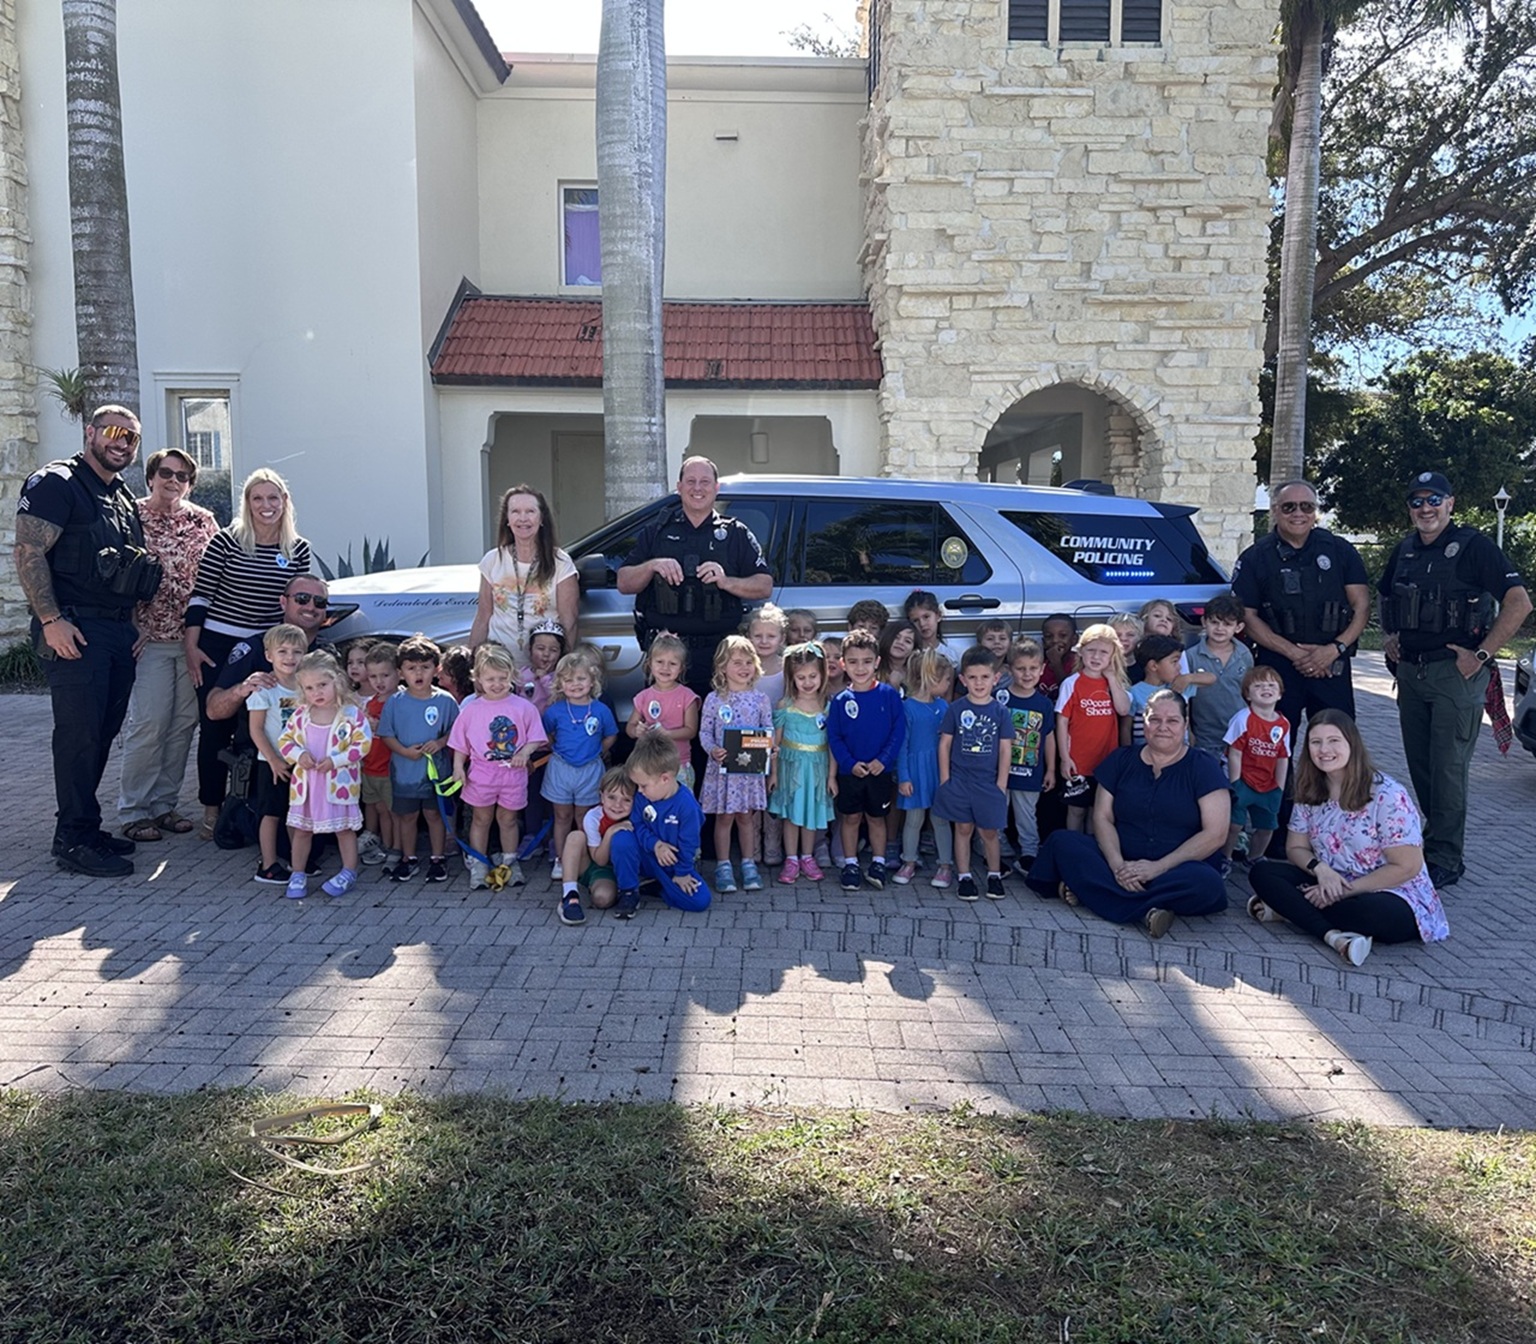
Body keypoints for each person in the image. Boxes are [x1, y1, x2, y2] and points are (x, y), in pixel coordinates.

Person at [14, 405, 162, 876]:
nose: (123, 443)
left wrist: (134, 624)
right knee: (78, 736)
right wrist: (50, 618)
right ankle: (72, 841)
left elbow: (126, 568)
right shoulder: (57, 483)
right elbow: (28, 549)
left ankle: (84, 825)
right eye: (116, 433)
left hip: (116, 630)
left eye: (133, 438)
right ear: (91, 432)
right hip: (73, 629)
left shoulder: (119, 495)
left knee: (101, 733)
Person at [1379, 471, 1532, 887]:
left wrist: (1482, 654)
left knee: (1447, 768)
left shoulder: (1473, 547)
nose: (1425, 508)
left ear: (1451, 504)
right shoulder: (1405, 549)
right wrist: (1391, 636)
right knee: (1422, 766)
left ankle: (1446, 857)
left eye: (1434, 500)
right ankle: (1432, 842)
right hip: (1411, 672)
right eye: (1417, 501)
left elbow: (1519, 603)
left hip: (1455, 673)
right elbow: (1387, 595)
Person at [1248, 710, 1448, 966]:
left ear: (1352, 744)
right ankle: (1333, 937)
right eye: (1315, 742)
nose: (1324, 749)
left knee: (1369, 914)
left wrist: (1343, 892)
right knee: (1263, 873)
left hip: (1391, 892)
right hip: (1330, 880)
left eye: (1334, 740)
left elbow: (1407, 867)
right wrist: (1321, 871)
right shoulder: (1309, 789)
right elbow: (1295, 847)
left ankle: (1290, 912)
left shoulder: (1387, 794)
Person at [1026, 690, 1231, 939]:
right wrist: (1116, 865)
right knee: (1061, 842)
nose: (1162, 727)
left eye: (1172, 721)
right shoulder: (1121, 760)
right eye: (1154, 719)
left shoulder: (1203, 766)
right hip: (1119, 857)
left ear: (1185, 724)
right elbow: (1102, 817)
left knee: (1206, 883)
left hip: (1176, 866)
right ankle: (1146, 909)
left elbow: (1216, 834)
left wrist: (1156, 868)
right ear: (1143, 722)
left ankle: (1093, 893)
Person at [185, 469, 311, 838]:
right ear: (247, 503)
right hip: (217, 644)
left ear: (284, 502)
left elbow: (297, 602)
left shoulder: (297, 548)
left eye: (273, 498)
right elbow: (201, 596)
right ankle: (211, 808)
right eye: (258, 498)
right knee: (215, 726)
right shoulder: (226, 541)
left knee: (264, 722)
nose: (266, 506)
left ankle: (261, 805)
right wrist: (192, 647)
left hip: (268, 647)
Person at [115, 447, 218, 842]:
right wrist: (131, 625)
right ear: (151, 476)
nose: (173, 481)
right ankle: (134, 809)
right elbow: (115, 574)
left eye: (182, 476)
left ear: (190, 483)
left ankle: (164, 805)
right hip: (151, 640)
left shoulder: (202, 520)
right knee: (149, 723)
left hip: (193, 641)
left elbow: (212, 578)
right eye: (166, 473)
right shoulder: (131, 516)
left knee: (181, 726)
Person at [618, 456, 773, 699]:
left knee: (719, 728)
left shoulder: (735, 533)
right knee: (666, 728)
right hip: (667, 651)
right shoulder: (657, 531)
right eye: (690, 481)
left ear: (716, 488)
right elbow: (624, 582)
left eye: (704, 481)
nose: (697, 488)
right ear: (679, 487)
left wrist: (725, 581)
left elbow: (764, 586)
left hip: (719, 653)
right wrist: (653, 566)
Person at [1231, 479, 1371, 737]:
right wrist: (1296, 654)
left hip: (1332, 663)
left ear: (1315, 510)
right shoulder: (1255, 557)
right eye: (1289, 507)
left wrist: (1334, 649)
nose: (1298, 513)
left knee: (1337, 741)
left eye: (1306, 506)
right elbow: (1247, 617)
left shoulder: (1340, 551)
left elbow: (1361, 606)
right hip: (1278, 667)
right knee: (1274, 746)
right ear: (1274, 510)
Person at [448, 642, 547, 890]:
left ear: (512, 675)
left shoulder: (523, 707)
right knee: (481, 819)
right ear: (478, 678)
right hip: (481, 774)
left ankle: (510, 861)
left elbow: (536, 737)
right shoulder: (470, 709)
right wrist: (458, 767)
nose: (497, 684)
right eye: (490, 678)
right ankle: (479, 863)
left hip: (513, 776)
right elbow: (460, 743)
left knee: (508, 819)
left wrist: (525, 752)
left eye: (502, 678)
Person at [276, 651, 372, 900]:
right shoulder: (300, 715)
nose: (316, 692)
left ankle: (349, 871)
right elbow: (284, 741)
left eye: (322, 685)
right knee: (302, 830)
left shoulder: (351, 715)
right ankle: (298, 873)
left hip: (338, 786)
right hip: (307, 787)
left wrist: (336, 761)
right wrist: (299, 755)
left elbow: (362, 745)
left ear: (337, 681)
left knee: (344, 830)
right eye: (309, 688)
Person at [827, 628, 906, 892]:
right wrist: (849, 764)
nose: (860, 668)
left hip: (879, 771)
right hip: (852, 772)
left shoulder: (889, 695)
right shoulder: (840, 701)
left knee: (876, 818)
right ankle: (850, 864)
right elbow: (834, 737)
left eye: (866, 661)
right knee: (850, 818)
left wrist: (883, 760)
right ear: (843, 664)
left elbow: (898, 730)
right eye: (853, 661)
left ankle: (879, 863)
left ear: (877, 662)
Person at [378, 635, 461, 884]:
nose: (418, 673)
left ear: (436, 670)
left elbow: (457, 732)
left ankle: (438, 858)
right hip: (405, 773)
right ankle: (409, 858)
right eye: (411, 667)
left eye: (425, 667)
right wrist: (403, 752)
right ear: (401, 672)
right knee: (407, 817)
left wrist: (440, 742)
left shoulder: (445, 700)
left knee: (435, 815)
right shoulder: (395, 702)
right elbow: (386, 734)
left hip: (437, 773)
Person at [934, 647, 1015, 901]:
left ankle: (993, 874)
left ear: (996, 678)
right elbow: (945, 744)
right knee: (963, 829)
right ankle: (964, 876)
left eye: (984, 677)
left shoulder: (1001, 711)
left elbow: (1005, 749)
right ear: (963, 680)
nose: (978, 683)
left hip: (988, 783)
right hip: (959, 781)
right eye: (972, 677)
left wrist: (1001, 783)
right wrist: (946, 779)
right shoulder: (956, 709)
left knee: (990, 832)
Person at [469, 485, 578, 669]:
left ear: (541, 518)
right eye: (515, 512)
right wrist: (472, 666)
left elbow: (570, 620)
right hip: (498, 669)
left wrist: (560, 670)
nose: (523, 518)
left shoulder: (561, 563)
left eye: (530, 511)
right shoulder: (492, 560)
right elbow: (483, 617)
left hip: (543, 669)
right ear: (507, 519)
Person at [699, 634, 774, 894]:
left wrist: (768, 746)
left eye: (748, 662)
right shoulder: (714, 699)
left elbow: (768, 728)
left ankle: (748, 863)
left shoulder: (760, 699)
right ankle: (723, 865)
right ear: (722, 667)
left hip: (748, 773)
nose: (744, 668)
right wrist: (713, 750)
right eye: (737, 662)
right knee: (724, 818)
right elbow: (704, 732)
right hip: (723, 772)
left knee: (746, 818)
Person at [609, 731, 713, 918]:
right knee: (621, 838)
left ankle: (658, 886)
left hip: (672, 864)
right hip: (645, 855)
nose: (639, 791)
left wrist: (682, 872)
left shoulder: (687, 806)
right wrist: (655, 844)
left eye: (643, 785)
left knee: (700, 901)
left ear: (665, 778)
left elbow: (689, 843)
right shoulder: (642, 797)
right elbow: (637, 825)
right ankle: (629, 891)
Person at [540, 652, 619, 883]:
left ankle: (583, 857)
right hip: (561, 768)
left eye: (581, 679)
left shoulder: (601, 710)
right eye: (568, 680)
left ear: (592, 681)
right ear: (560, 684)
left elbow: (611, 735)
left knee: (584, 816)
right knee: (562, 816)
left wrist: (597, 753)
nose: (575, 685)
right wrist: (560, 751)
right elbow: (548, 734)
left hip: (590, 769)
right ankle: (561, 858)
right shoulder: (554, 710)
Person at [768, 641, 837, 885]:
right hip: (791, 769)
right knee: (791, 815)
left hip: (817, 770)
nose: (808, 682)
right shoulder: (785, 706)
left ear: (822, 675)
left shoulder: (828, 706)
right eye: (801, 677)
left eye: (812, 676)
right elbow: (774, 745)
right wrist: (773, 773)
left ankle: (807, 856)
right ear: (791, 678)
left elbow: (832, 745)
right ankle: (791, 859)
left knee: (810, 814)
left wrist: (831, 776)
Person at [246, 623, 308, 885]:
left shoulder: (307, 687)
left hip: (301, 762)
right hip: (271, 762)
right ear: (269, 655)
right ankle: (268, 864)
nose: (289, 658)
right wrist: (272, 759)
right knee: (271, 813)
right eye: (282, 651)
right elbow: (256, 730)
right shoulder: (265, 690)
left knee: (298, 813)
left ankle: (298, 863)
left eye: (296, 652)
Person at [1055, 623, 1131, 832]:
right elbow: (1061, 721)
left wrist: (1112, 678)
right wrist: (1064, 758)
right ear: (1081, 652)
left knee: (1098, 812)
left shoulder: (1113, 684)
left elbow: (1123, 709)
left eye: (1103, 652)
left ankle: (1092, 850)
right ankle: (1072, 847)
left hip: (1106, 761)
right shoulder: (1072, 683)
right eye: (1091, 650)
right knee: (1076, 810)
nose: (1096, 657)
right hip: (1078, 761)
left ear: (1112, 655)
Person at [895, 648, 956, 888]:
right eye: (946, 679)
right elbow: (902, 745)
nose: (949, 683)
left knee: (941, 819)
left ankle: (945, 865)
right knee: (913, 819)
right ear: (931, 679)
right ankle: (909, 861)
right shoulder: (907, 707)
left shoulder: (944, 707)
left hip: (939, 771)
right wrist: (904, 777)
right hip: (915, 771)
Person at [1222, 665, 1290, 868]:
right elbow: (1234, 752)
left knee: (1267, 826)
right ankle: (1225, 858)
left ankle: (1255, 857)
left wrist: (1280, 786)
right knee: (1234, 824)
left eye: (1271, 685)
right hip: (1244, 780)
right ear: (1247, 694)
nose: (1266, 689)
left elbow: (1283, 756)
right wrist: (1236, 783)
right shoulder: (1243, 719)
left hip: (1268, 784)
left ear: (1279, 693)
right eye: (1258, 685)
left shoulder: (1284, 723)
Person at [997, 640, 1056, 871]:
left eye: (1033, 668)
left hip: (1030, 771)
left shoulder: (1043, 704)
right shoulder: (999, 697)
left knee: (1026, 814)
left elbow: (1048, 737)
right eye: (1021, 668)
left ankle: (1029, 853)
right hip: (999, 771)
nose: (1027, 674)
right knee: (997, 810)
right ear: (1010, 669)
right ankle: (994, 848)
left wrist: (1050, 769)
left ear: (1042, 669)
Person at [557, 766, 637, 925]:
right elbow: (599, 860)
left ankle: (626, 889)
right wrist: (610, 832)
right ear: (602, 796)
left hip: (618, 870)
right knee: (576, 836)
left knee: (602, 899)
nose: (618, 805)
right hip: (596, 864)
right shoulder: (593, 817)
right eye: (612, 797)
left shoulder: (638, 815)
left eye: (626, 799)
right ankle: (570, 895)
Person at [624, 633, 701, 789]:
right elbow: (630, 727)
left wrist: (668, 734)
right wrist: (637, 730)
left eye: (672, 663)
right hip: (648, 764)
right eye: (660, 662)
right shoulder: (643, 697)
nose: (665, 668)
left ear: (681, 668)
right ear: (650, 664)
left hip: (678, 764)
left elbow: (691, 731)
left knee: (680, 806)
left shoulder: (687, 696)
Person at [1185, 593, 1253, 759]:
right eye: (1214, 622)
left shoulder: (1244, 654)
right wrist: (1188, 731)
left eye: (1227, 624)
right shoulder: (1190, 656)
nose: (1220, 628)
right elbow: (1185, 699)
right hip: (1205, 736)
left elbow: (1249, 692)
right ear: (1204, 622)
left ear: (1238, 627)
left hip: (1240, 733)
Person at [359, 643, 401, 866]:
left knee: (395, 813)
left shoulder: (400, 701)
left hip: (390, 768)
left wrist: (380, 727)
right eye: (373, 676)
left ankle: (398, 848)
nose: (379, 681)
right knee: (380, 810)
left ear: (398, 674)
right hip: (370, 766)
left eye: (385, 675)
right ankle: (386, 847)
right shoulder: (372, 702)